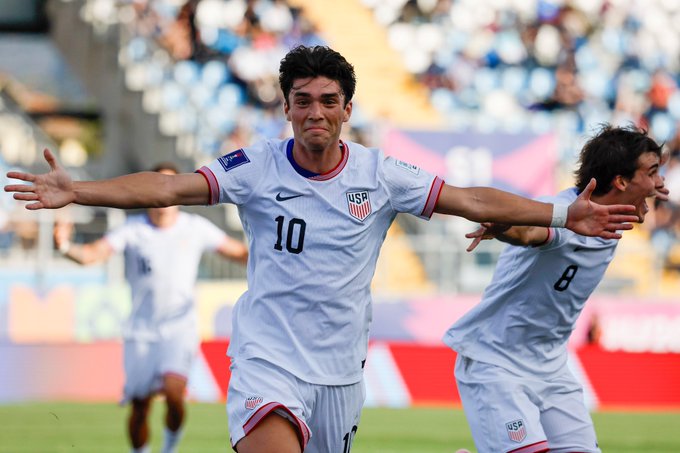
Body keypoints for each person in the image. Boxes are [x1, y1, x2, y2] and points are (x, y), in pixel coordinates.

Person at [6, 45, 638, 453]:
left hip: (340, 374)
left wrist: (563, 212)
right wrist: (79, 190)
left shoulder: (380, 173)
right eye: (302, 100)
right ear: (286, 107)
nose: (315, 112)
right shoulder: (253, 167)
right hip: (267, 361)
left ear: (347, 110)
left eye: (328, 102)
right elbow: (170, 185)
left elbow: (473, 201)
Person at [443, 124, 668, 453]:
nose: (660, 183)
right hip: (495, 361)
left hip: (550, 367)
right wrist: (505, 226)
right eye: (652, 173)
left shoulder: (611, 221)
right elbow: (529, 234)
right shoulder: (565, 215)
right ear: (620, 181)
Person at [53, 161, 248, 453]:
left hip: (179, 329)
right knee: (140, 405)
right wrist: (66, 247)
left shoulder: (194, 228)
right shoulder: (133, 231)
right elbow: (93, 254)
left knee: (174, 392)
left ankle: (169, 449)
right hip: (141, 332)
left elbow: (239, 252)